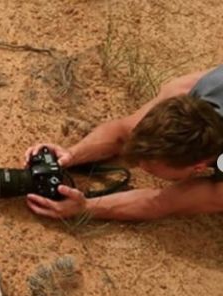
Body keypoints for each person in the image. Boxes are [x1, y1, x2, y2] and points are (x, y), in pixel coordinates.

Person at [24, 64, 223, 221]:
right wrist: (71, 155)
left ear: (199, 166)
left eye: (152, 169)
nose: (139, 166)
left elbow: (162, 202)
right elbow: (121, 132)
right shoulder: (185, 93)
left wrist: (86, 207)